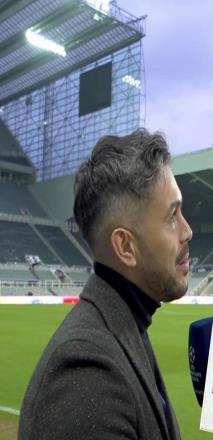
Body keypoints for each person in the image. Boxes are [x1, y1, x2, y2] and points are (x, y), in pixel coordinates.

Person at [19, 130, 191, 440]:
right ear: (125, 247)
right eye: (172, 216)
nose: (187, 231)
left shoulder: (124, 325)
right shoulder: (86, 376)